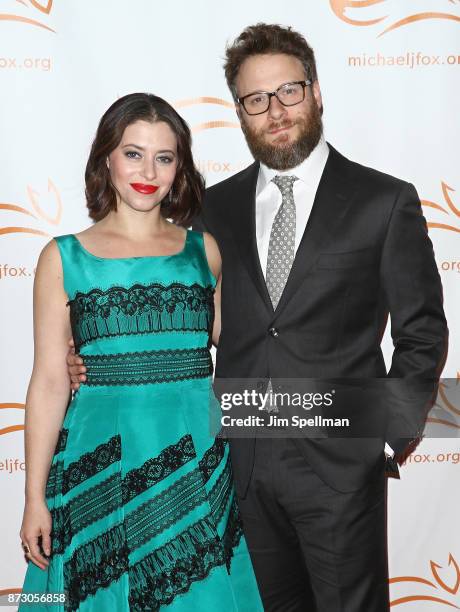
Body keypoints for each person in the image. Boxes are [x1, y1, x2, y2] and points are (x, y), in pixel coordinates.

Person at [68, 24, 448, 612]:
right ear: (240, 112)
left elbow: (422, 333)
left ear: (316, 92)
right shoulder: (211, 208)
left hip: (341, 461)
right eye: (255, 99)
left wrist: (384, 438)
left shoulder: (383, 200)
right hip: (236, 464)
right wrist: (97, 357)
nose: (275, 111)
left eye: (289, 91)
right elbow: (192, 323)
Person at [19, 92, 262, 611]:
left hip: (195, 458)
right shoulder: (62, 257)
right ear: (106, 158)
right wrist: (33, 497)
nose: (148, 170)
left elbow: (245, 346)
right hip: (97, 457)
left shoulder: (205, 251)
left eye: (164, 157)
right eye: (133, 153)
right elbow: (47, 382)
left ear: (180, 168)